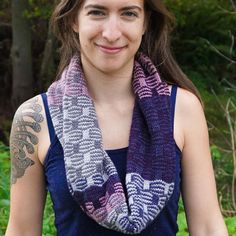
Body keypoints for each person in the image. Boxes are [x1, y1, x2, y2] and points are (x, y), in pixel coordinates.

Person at [5, 0, 228, 235]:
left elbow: (207, 227)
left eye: (129, 13)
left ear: (145, 23)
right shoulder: (34, 120)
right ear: (73, 20)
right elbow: (21, 231)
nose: (112, 33)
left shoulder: (183, 109)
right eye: (97, 12)